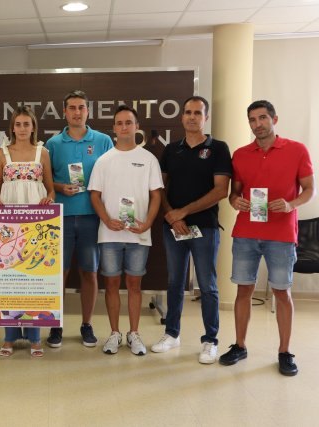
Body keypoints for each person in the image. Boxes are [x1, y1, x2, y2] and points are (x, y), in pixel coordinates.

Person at [220, 100, 315, 376]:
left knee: (282, 293)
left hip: (281, 235)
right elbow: (234, 192)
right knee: (243, 291)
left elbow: (310, 189)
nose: (257, 124)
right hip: (246, 234)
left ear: (274, 119)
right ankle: (240, 345)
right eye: (252, 119)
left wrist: (291, 204)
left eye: (262, 118)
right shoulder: (240, 154)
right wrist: (235, 201)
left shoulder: (297, 150)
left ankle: (285, 352)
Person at [150, 96, 232, 364]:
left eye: (198, 113)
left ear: (205, 117)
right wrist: (172, 217)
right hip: (174, 228)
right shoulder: (171, 150)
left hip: (205, 227)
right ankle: (172, 334)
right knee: (175, 283)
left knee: (207, 285)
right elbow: (160, 188)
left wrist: (183, 212)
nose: (192, 117)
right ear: (182, 117)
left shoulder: (218, 148)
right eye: (188, 112)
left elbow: (221, 190)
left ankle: (210, 340)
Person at [88, 105, 163, 356]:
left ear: (137, 126)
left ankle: (134, 334)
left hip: (138, 234)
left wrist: (147, 223)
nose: (124, 127)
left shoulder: (148, 159)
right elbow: (94, 195)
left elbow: (156, 196)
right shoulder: (103, 160)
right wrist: (107, 220)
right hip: (109, 234)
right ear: (114, 128)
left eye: (128, 122)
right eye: (119, 123)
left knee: (134, 285)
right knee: (111, 285)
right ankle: (114, 333)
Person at [45, 90, 114, 348]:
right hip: (59, 218)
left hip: (91, 217)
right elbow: (44, 180)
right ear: (64, 112)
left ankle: (87, 324)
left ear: (88, 111)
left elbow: (112, 176)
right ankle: (55, 325)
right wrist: (60, 187)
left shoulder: (103, 141)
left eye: (81, 107)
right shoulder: (53, 144)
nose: (77, 112)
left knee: (89, 272)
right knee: (58, 275)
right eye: (72, 108)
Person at [0, 106, 55, 357]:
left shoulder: (43, 152)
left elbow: (50, 188)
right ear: (12, 127)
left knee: (34, 278)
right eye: (18, 124)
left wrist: (49, 199)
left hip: (36, 223)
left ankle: (35, 337)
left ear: (33, 127)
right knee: (10, 279)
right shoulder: (2, 154)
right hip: (9, 224)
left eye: (27, 124)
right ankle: (9, 337)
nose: (23, 128)